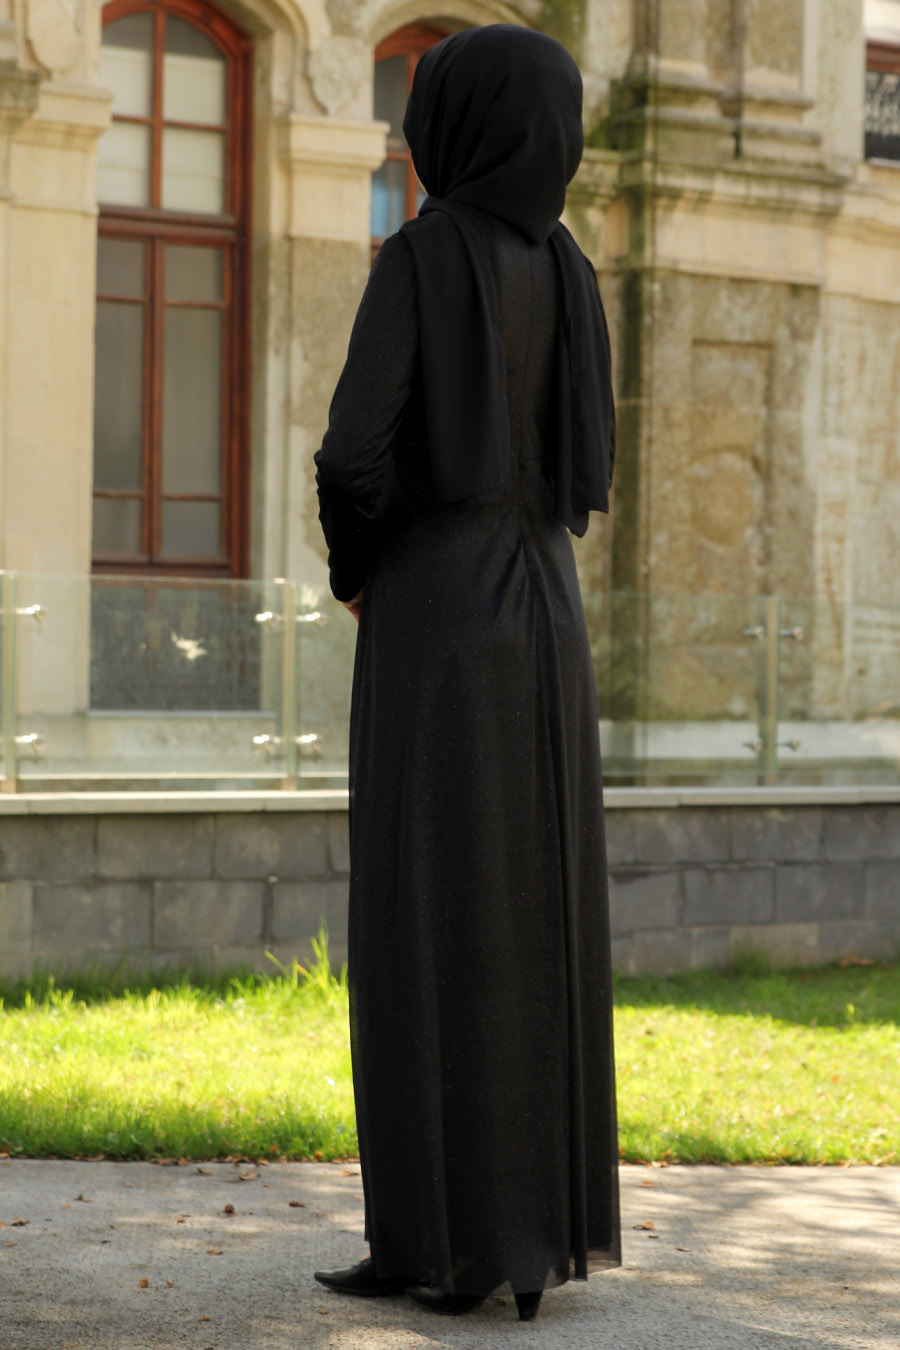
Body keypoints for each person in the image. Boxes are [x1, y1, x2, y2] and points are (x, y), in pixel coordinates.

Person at [312, 24, 620, 1324]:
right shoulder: (571, 267)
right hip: (549, 620)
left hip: (438, 624)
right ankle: (530, 1244)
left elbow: (352, 453)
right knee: (534, 924)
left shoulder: (422, 255)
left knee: (424, 921)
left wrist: (358, 569)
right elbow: (580, 466)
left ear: (459, 124)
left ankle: (435, 1243)